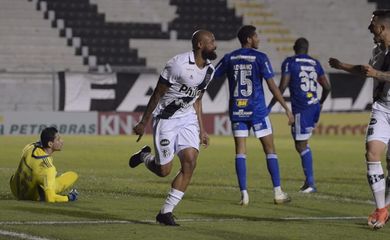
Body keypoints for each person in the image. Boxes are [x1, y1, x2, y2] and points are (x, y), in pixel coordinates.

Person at [129, 30, 217, 226]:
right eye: (211, 41)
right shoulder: (178, 65)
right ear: (200, 45)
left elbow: (198, 100)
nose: (215, 45)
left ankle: (166, 212)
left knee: (190, 161)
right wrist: (144, 122)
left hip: (187, 119)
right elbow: (157, 94)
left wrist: (202, 130)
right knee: (164, 170)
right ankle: (144, 156)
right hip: (166, 118)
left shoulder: (210, 70)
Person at [213, 25, 294, 206]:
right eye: (256, 36)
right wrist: (286, 107)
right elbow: (272, 86)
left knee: (240, 152)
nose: (258, 39)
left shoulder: (229, 58)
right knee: (270, 150)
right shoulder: (260, 57)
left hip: (237, 111)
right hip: (257, 111)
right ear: (249, 39)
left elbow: (211, 75)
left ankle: (244, 194)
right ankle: (278, 192)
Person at [329, 9, 390, 229]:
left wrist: (376, 74)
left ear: (382, 28)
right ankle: (381, 209)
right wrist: (341, 65)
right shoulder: (377, 49)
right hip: (382, 108)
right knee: (372, 152)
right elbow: (366, 70)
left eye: (372, 24)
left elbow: (375, 73)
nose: (369, 28)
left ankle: (385, 207)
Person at [268, 38, 331, 193]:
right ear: (307, 49)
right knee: (301, 142)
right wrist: (320, 103)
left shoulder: (290, 62)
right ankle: (308, 182)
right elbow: (327, 87)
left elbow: (282, 86)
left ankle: (311, 183)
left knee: (300, 144)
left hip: (302, 109)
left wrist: (269, 106)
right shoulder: (315, 63)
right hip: (314, 106)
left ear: (294, 48)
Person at [9, 127, 79, 202]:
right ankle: (42, 192)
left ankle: (40, 187)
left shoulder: (29, 147)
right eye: (58, 139)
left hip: (15, 190)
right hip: (29, 197)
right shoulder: (48, 169)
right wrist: (69, 197)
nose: (62, 141)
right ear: (50, 144)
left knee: (37, 177)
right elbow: (50, 199)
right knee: (73, 176)